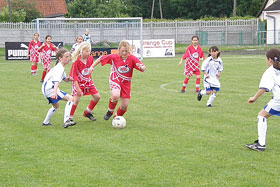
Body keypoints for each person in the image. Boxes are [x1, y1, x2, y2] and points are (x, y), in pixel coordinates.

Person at [91, 40, 146, 120]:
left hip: (126, 83)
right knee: (115, 95)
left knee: (124, 106)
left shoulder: (132, 59)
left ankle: (116, 118)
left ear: (129, 50)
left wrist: (142, 68)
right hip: (115, 80)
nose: (124, 53)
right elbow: (101, 58)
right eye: (122, 51)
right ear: (119, 50)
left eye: (126, 51)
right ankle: (110, 111)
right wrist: (92, 67)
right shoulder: (114, 57)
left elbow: (143, 67)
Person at [246, 48, 280, 151]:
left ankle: (261, 144)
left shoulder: (270, 71)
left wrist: (254, 98)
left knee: (262, 115)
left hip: (278, 101)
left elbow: (264, 88)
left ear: (270, 60)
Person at [41, 48, 76, 128]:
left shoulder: (60, 67)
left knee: (56, 106)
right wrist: (54, 93)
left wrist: (68, 79)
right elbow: (56, 82)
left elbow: (64, 79)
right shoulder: (59, 68)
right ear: (60, 58)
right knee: (71, 99)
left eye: (68, 56)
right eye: (66, 57)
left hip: (45, 89)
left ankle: (45, 122)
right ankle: (66, 121)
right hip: (50, 89)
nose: (68, 59)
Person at [69, 42, 100, 122]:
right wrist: (78, 88)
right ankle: (69, 118)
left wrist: (91, 80)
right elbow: (74, 76)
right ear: (81, 51)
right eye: (86, 51)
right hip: (78, 83)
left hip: (88, 82)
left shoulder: (90, 58)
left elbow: (88, 71)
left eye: (89, 51)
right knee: (76, 100)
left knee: (97, 97)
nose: (88, 53)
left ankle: (87, 112)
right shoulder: (76, 61)